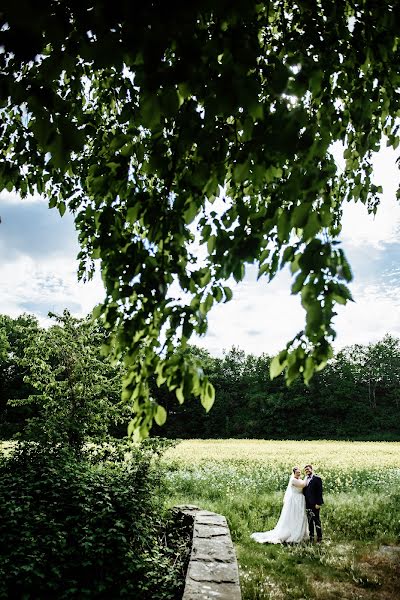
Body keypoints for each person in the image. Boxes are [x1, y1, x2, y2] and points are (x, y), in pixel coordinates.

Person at [251, 466, 309, 544]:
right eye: (297, 473)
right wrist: (307, 476)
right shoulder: (293, 480)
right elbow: (303, 485)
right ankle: (293, 533)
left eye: (299, 473)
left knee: (300, 516)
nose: (299, 474)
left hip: (300, 500)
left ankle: (302, 533)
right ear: (294, 473)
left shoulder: (299, 479)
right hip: (295, 500)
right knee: (294, 516)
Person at [303, 464, 323, 543]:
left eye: (308, 469)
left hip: (315, 504)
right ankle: (311, 537)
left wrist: (319, 503)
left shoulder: (317, 478)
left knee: (316, 520)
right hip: (307, 504)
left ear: (311, 469)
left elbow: (320, 492)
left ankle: (319, 538)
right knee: (310, 521)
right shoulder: (305, 479)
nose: (307, 471)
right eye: (305, 470)